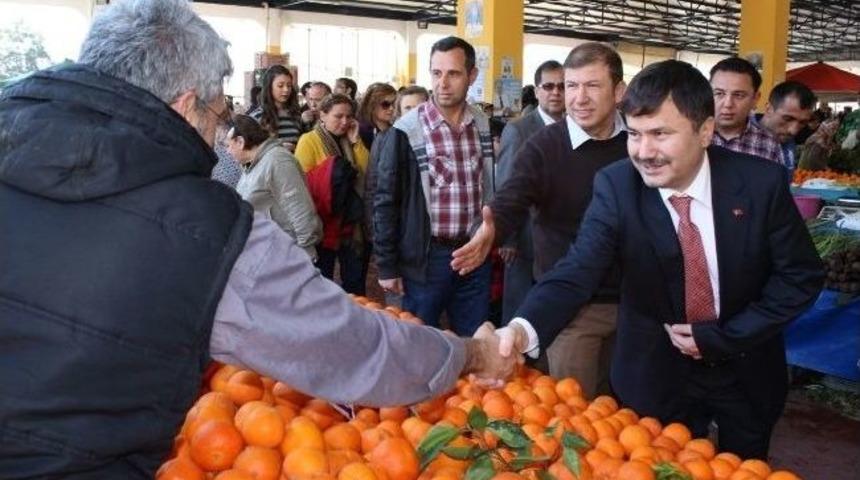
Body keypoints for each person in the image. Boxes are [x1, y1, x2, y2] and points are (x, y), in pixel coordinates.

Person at [0, 1, 517, 477]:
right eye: (216, 115)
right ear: (185, 108)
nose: (220, 135)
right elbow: (348, 347)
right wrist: (469, 355)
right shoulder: (207, 231)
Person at [466, 60, 825, 459]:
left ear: (704, 131)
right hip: (657, 374)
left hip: (746, 368)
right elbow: (578, 268)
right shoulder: (618, 186)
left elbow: (801, 278)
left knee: (743, 467)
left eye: (660, 134)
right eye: (635, 134)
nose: (644, 152)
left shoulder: (760, 184)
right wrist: (519, 330)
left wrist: (728, 334)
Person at [456, 44, 629, 397]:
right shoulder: (545, 145)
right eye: (571, 86)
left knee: (634, 410)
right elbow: (514, 194)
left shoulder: (639, 143)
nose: (579, 97)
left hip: (636, 301)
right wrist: (494, 226)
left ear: (619, 91)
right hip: (572, 303)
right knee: (578, 409)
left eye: (592, 86)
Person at [373, 36, 496, 336]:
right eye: (436, 73)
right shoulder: (406, 131)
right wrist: (387, 265)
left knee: (474, 343)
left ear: (472, 76)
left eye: (453, 73)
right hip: (426, 258)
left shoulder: (480, 123)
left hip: (473, 253)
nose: (443, 83)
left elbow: (488, 183)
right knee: (417, 343)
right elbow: (386, 200)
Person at [495, 59, 565, 325]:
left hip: (560, 239)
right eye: (548, 86)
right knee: (519, 311)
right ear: (537, 91)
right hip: (524, 241)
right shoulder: (519, 129)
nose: (555, 92)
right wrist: (508, 239)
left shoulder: (574, 128)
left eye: (561, 86)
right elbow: (505, 186)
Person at [294, 94, 371, 294]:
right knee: (322, 280)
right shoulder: (309, 141)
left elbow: (367, 172)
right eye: (338, 116)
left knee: (354, 283)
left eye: (349, 116)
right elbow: (304, 182)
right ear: (323, 116)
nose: (345, 122)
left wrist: (355, 143)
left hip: (350, 223)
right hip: (324, 221)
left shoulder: (351, 140)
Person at [229, 114, 322, 260]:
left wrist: (302, 258)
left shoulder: (277, 161)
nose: (228, 151)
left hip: (288, 257)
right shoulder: (252, 165)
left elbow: (301, 212)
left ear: (240, 142)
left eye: (228, 145)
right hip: (273, 253)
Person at [709, 57, 782, 164]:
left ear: (755, 99)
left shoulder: (768, 144)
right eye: (719, 93)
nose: (728, 104)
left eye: (738, 95)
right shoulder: (692, 136)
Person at [755, 81, 816, 175]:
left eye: (802, 122)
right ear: (769, 109)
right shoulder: (738, 136)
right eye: (787, 119)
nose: (793, 131)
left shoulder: (786, 138)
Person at [248, 65, 303, 151]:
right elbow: (250, 150)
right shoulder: (257, 116)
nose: (286, 90)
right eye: (280, 86)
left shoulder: (295, 114)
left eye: (289, 86)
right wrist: (277, 148)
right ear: (269, 87)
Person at [357, 82, 398, 150]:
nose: (391, 108)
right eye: (386, 104)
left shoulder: (398, 128)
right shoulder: (361, 131)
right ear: (372, 105)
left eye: (394, 103)